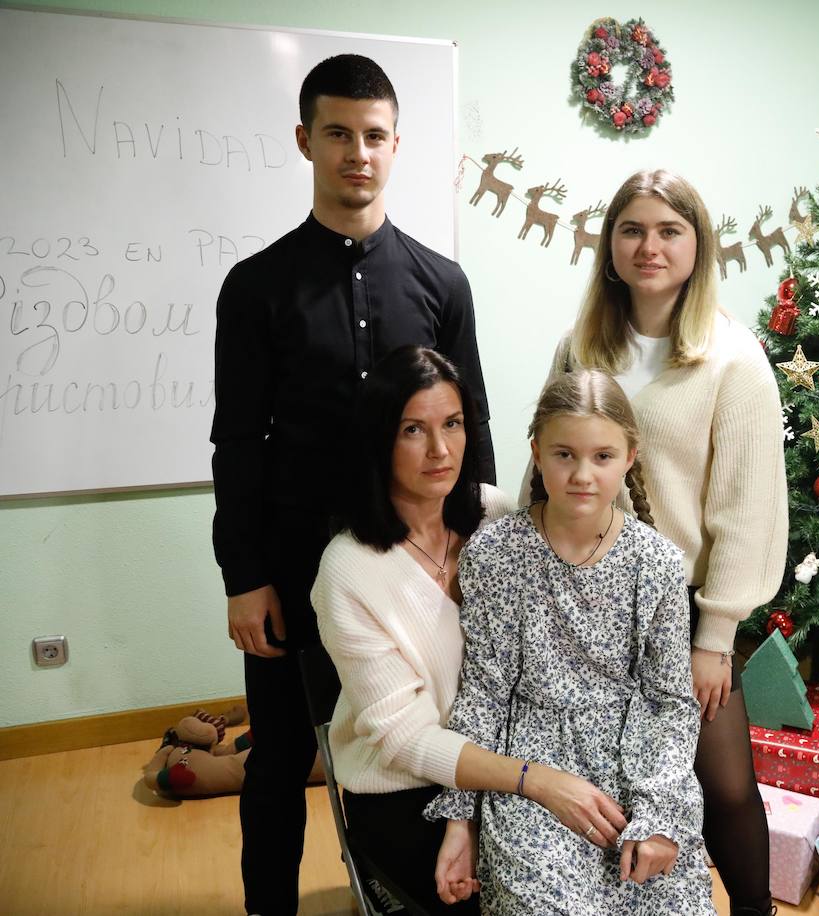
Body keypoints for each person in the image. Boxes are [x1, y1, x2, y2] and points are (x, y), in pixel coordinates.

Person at [210, 54, 494, 915]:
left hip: (417, 569)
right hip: (297, 567)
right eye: (338, 134)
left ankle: (398, 881)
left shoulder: (441, 283)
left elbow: (470, 430)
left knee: (417, 738)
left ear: (396, 145)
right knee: (282, 756)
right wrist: (244, 577)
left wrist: (482, 566)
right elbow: (236, 443)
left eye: (374, 136)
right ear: (306, 140)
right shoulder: (256, 287)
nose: (357, 153)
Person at [526, 169, 788, 915]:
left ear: (697, 248)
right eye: (633, 230)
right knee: (608, 772)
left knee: (725, 781)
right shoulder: (580, 347)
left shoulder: (733, 361)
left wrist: (717, 633)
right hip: (581, 594)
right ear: (610, 247)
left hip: (681, 610)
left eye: (670, 231)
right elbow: (546, 462)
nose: (650, 247)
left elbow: (745, 508)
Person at [312, 347, 627, 913]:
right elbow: (407, 742)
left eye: (452, 424)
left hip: (523, 760)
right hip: (409, 789)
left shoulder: (497, 515)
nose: (441, 449)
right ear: (379, 439)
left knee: (617, 877)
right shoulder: (348, 569)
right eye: (414, 430)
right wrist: (535, 784)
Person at [426, 370, 714, 915]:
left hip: (637, 768)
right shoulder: (496, 554)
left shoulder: (656, 563)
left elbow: (669, 703)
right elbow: (484, 694)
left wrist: (661, 817)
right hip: (530, 774)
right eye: (564, 455)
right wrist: (459, 823)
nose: (583, 475)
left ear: (630, 456)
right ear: (536, 453)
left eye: (602, 456)